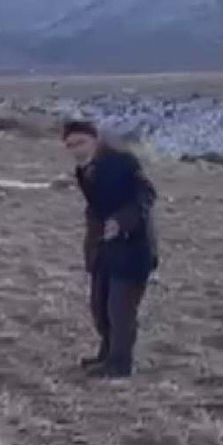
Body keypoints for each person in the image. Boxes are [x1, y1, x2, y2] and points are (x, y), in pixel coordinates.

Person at [63, 120, 159, 379]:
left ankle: (120, 364)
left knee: (120, 309)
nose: (77, 149)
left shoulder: (123, 162)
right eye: (71, 145)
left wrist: (122, 221)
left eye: (81, 142)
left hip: (133, 247)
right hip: (104, 247)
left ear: (95, 140)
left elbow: (146, 195)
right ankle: (106, 354)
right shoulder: (85, 170)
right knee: (100, 306)